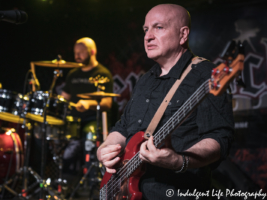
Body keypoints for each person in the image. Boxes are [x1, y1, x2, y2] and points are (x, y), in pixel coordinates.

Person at [97, 4, 234, 200]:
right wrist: (105, 149)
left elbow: (220, 137)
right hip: (130, 191)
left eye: (158, 27)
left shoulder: (206, 76)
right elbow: (123, 127)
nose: (148, 36)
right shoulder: (145, 80)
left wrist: (179, 161)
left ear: (183, 34)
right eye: (145, 29)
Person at [60, 37, 113, 179]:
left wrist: (88, 104)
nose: (77, 56)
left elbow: (107, 103)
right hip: (73, 122)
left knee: (90, 143)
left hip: (92, 121)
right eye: (75, 52)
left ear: (93, 51)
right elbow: (64, 98)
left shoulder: (102, 74)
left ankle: (92, 182)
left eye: (81, 52)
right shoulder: (73, 74)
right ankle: (66, 182)